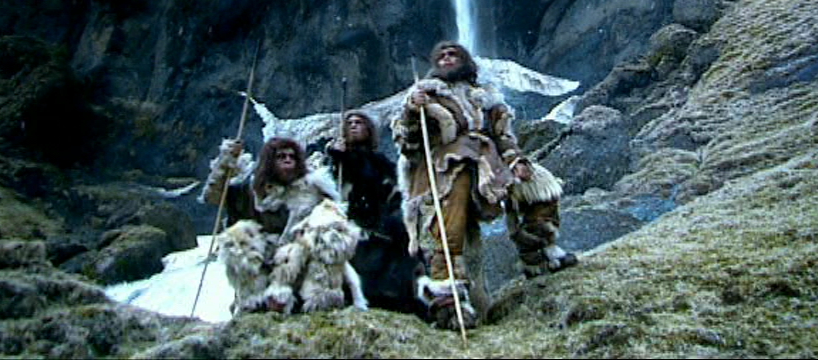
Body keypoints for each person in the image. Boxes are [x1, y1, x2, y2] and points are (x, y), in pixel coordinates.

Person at [390, 40, 577, 330]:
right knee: (449, 221)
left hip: (490, 163)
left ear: (465, 60)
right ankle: (449, 302)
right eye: (442, 55)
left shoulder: (486, 97)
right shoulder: (426, 96)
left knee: (539, 184)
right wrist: (413, 112)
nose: (448, 58)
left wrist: (516, 160)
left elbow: (504, 137)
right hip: (446, 166)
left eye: (453, 54)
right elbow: (408, 145)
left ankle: (539, 255)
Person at [200, 135, 365, 315]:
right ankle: (253, 302)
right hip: (263, 258)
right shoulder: (253, 190)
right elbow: (215, 196)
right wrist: (226, 162)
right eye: (281, 156)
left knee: (328, 234)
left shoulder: (310, 188)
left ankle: (320, 301)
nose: (288, 160)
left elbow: (333, 213)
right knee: (237, 239)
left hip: (300, 259)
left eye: (292, 156)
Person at [325, 110, 427, 317]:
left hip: (381, 224)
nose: (354, 125)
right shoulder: (337, 162)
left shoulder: (380, 162)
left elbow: (396, 189)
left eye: (359, 122)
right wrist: (338, 157)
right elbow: (334, 187)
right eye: (350, 123)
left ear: (369, 130)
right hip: (351, 222)